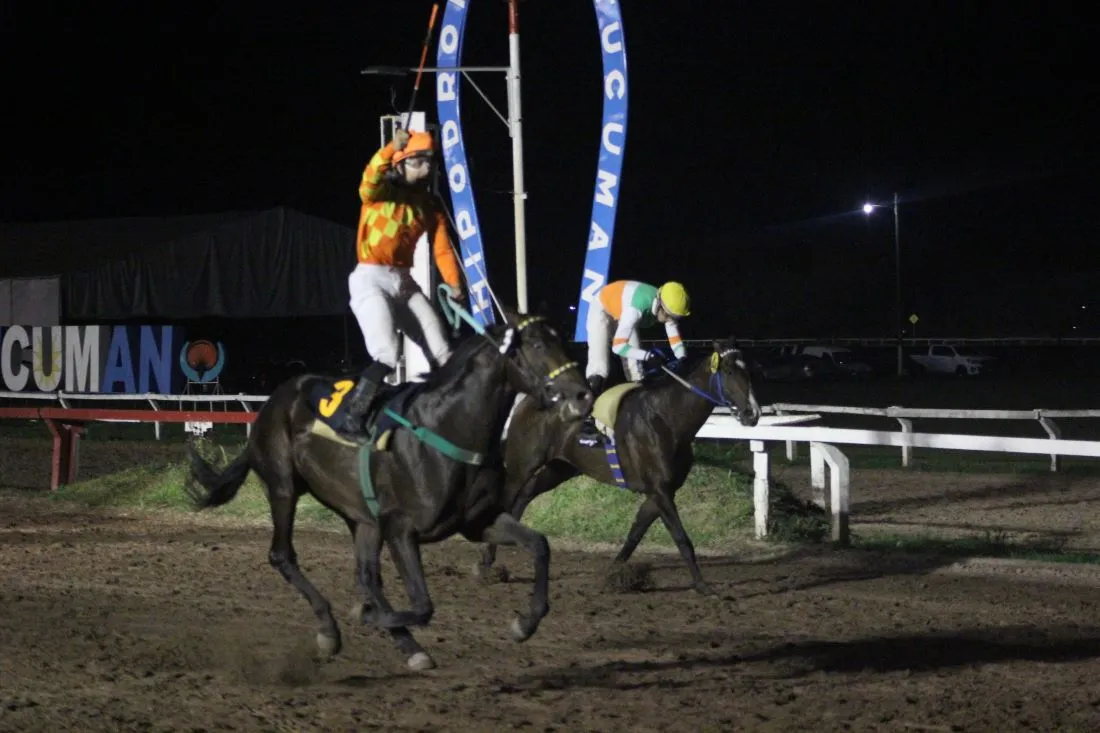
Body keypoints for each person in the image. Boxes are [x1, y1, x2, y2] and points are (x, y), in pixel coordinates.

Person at [342, 127, 465, 433]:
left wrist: (454, 283)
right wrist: (388, 148)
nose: (427, 168)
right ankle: (353, 418)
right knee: (387, 353)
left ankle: (446, 419)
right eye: (418, 161)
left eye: (429, 162)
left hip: (404, 282)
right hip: (370, 278)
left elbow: (442, 249)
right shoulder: (379, 193)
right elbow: (369, 177)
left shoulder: (428, 205)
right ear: (400, 164)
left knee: (443, 352)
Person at [585, 279, 691, 397]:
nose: (670, 320)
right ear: (660, 305)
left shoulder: (666, 305)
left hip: (622, 308)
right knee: (600, 367)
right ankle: (588, 405)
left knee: (636, 368)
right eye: (669, 316)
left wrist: (682, 358)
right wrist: (648, 356)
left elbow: (674, 337)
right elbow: (618, 347)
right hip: (601, 307)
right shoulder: (635, 310)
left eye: (675, 318)